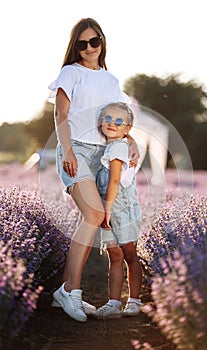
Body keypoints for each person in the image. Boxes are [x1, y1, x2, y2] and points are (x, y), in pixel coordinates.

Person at [48, 18, 139, 323]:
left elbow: (117, 118)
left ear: (102, 41)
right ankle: (71, 290)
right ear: (76, 46)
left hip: (103, 154)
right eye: (82, 43)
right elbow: (61, 114)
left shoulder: (111, 79)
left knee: (98, 216)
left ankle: (64, 293)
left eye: (94, 41)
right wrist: (69, 151)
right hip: (75, 148)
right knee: (94, 215)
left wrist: (131, 138)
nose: (89, 48)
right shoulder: (70, 72)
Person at [90, 102, 143, 319]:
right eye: (108, 119)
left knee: (129, 254)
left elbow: (114, 181)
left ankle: (134, 300)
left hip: (119, 208)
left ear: (127, 128)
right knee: (114, 254)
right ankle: (113, 303)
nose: (112, 123)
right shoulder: (112, 144)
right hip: (109, 206)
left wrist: (108, 211)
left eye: (119, 121)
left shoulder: (119, 148)